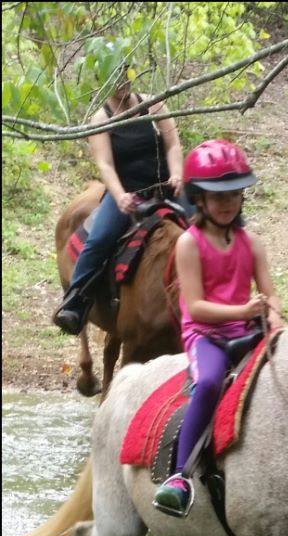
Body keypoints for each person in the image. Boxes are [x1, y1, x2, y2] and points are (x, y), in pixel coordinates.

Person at [153, 139, 283, 516]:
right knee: (209, 382)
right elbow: (195, 306)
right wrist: (245, 308)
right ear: (199, 199)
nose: (228, 203)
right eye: (218, 196)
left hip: (247, 331)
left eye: (235, 194)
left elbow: (270, 294)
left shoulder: (252, 242)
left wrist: (273, 315)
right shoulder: (189, 245)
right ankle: (179, 476)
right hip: (206, 336)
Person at [53, 64, 184, 335]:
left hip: (165, 187)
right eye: (115, 77)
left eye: (126, 74)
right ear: (103, 80)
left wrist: (178, 173)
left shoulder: (154, 104)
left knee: (209, 221)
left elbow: (173, 145)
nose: (123, 82)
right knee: (100, 238)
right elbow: (105, 164)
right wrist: (119, 195)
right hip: (127, 193)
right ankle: (76, 300)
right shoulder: (101, 119)